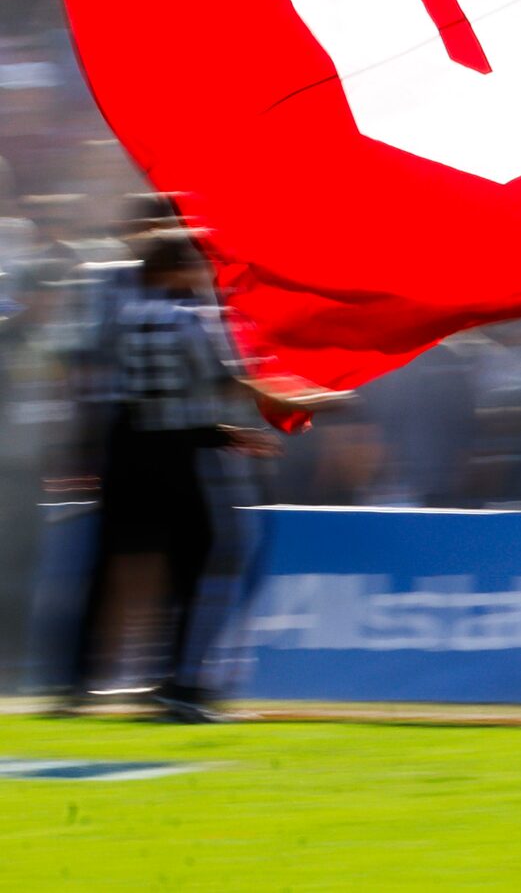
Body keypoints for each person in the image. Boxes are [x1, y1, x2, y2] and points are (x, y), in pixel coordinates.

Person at [60, 227, 337, 718]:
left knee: (168, 572)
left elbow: (164, 399)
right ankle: (187, 685)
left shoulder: (128, 316)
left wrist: (227, 433)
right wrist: (316, 397)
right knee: (218, 562)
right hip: (189, 461)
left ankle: (162, 680)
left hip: (143, 450)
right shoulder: (195, 318)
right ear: (178, 269)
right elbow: (233, 381)